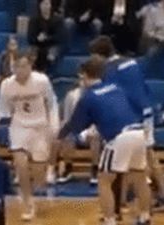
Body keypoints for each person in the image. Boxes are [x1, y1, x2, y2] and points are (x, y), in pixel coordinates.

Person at [58, 55, 151, 225]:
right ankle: (145, 217)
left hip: (119, 137)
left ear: (84, 75)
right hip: (138, 132)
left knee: (104, 179)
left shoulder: (88, 97)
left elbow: (75, 124)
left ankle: (109, 220)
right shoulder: (116, 87)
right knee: (139, 177)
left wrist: (59, 136)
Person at [89, 36, 164, 211]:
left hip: (131, 116)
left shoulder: (109, 70)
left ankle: (121, 201)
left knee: (128, 159)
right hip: (146, 111)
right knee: (149, 155)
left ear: (99, 55)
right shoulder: (132, 62)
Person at [0, 50, 57, 221]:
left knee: (39, 175)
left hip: (40, 127)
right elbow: (3, 110)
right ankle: (28, 203)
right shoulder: (7, 85)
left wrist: (54, 126)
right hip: (19, 127)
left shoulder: (41, 80)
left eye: (23, 66)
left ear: (30, 66)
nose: (20, 70)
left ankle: (39, 184)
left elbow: (52, 104)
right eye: (16, 66)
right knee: (21, 164)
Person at [57, 73, 100, 185]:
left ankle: (95, 169)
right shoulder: (71, 96)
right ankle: (68, 168)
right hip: (77, 128)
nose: (84, 81)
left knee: (95, 137)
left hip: (94, 129)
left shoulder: (98, 94)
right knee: (67, 137)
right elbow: (67, 118)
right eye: (82, 79)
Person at [27, 0, 64, 72]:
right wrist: (38, 39)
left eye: (47, 4)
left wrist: (46, 38)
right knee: (33, 53)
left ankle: (47, 74)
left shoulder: (58, 20)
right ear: (40, 6)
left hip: (53, 45)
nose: (46, 6)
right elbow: (30, 38)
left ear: (50, 5)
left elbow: (60, 37)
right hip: (38, 45)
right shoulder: (34, 20)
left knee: (51, 54)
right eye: (43, 4)